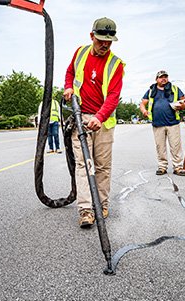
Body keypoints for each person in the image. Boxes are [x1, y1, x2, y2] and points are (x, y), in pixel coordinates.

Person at [63, 17, 125, 228]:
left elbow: (113, 96)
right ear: (92, 36)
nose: (105, 45)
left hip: (103, 121)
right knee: (83, 164)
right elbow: (70, 72)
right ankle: (86, 210)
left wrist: (100, 117)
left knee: (102, 167)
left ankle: (102, 204)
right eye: (101, 41)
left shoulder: (115, 64)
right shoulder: (80, 52)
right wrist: (68, 87)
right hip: (81, 117)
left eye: (109, 42)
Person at [139, 70, 185, 176]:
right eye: (161, 77)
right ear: (156, 79)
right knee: (160, 147)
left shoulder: (174, 89)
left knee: (175, 146)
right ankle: (162, 167)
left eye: (166, 77)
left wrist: (183, 105)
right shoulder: (151, 90)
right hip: (157, 123)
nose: (164, 79)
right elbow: (143, 103)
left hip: (173, 123)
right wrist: (144, 111)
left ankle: (178, 167)